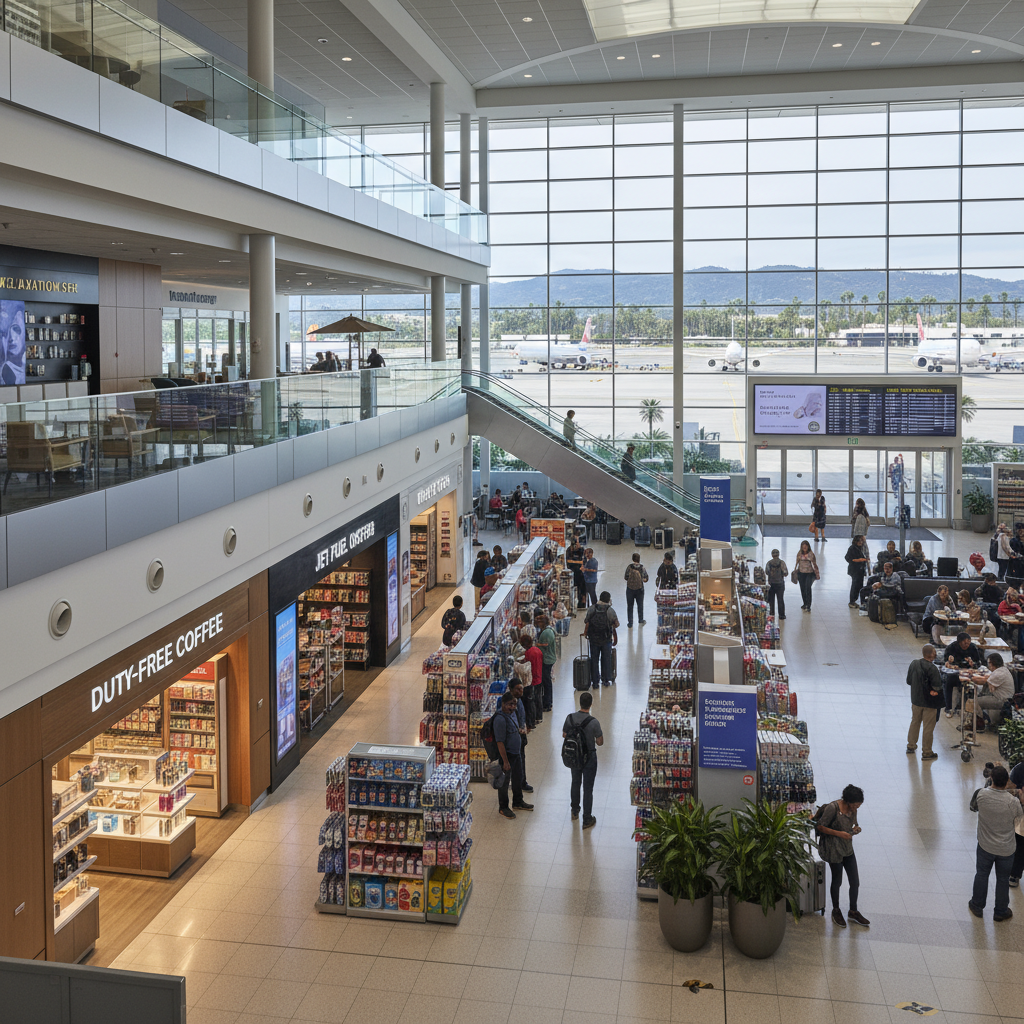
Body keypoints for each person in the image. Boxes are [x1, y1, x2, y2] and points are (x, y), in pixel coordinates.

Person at [969, 764, 1023, 921]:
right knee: (1003, 879)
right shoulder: (1013, 802)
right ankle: (1000, 910)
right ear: (1007, 782)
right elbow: (1020, 825)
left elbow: (973, 808)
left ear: (991, 778)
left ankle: (977, 905)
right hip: (1006, 849)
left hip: (985, 846)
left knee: (982, 874)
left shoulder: (981, 794)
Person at [816, 784, 869, 928]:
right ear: (848, 801)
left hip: (847, 848)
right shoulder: (833, 808)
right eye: (856, 805)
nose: (856, 808)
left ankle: (853, 910)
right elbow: (820, 826)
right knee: (837, 880)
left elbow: (852, 824)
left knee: (855, 881)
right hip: (834, 849)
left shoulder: (853, 810)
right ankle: (836, 910)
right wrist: (840, 834)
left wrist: (855, 829)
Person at [563, 690, 603, 829]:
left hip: (574, 756)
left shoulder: (570, 718)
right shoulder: (594, 722)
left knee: (575, 782)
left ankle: (575, 810)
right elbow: (600, 742)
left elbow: (564, 735)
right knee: (588, 788)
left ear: (579, 703)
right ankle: (587, 819)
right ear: (591, 704)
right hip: (589, 758)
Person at [493, 692, 532, 819]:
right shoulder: (499, 719)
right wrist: (505, 761)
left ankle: (518, 802)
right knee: (504, 782)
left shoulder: (512, 714)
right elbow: (500, 742)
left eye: (514, 704)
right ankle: (503, 807)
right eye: (510, 704)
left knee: (518, 778)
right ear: (503, 704)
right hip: (507, 756)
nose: (513, 707)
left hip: (516, 754)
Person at [906, 644, 944, 760]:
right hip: (929, 703)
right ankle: (927, 751)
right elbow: (937, 687)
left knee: (915, 722)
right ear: (932, 654)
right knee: (928, 727)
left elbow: (908, 681)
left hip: (916, 700)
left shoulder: (914, 663)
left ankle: (911, 745)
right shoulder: (933, 669)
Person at [972, 653, 1015, 732]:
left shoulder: (999, 673)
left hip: (1002, 700)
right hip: (1005, 698)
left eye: (989, 663)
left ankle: (980, 725)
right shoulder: (1003, 670)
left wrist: (970, 676)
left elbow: (981, 681)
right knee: (985, 693)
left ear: (992, 663)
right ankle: (987, 720)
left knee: (975, 701)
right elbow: (989, 679)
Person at [584, 590, 618, 688]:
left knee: (594, 660)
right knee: (606, 659)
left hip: (593, 639)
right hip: (606, 638)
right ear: (608, 600)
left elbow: (587, 621)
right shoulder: (610, 610)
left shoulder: (592, 608)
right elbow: (616, 624)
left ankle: (595, 682)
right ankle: (606, 680)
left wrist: (586, 633)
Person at [943, 631, 981, 718]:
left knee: (973, 685)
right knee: (948, 682)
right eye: (964, 643)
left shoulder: (973, 648)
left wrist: (973, 665)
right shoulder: (951, 648)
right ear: (959, 642)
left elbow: (978, 663)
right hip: (955, 673)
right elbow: (945, 663)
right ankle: (948, 707)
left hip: (968, 673)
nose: (966, 645)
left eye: (968, 643)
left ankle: (962, 707)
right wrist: (950, 663)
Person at [505, 678, 534, 792]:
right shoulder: (509, 704)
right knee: (516, 761)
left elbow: (522, 715)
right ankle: (517, 783)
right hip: (512, 738)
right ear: (511, 689)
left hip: (519, 736)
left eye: (521, 688)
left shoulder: (519, 700)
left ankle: (521, 782)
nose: (521, 691)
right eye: (518, 689)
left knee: (521, 760)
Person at [868, 562, 903, 627]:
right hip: (887, 590)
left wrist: (881, 585)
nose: (887, 570)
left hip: (894, 591)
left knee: (881, 593)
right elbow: (882, 584)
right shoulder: (883, 575)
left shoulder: (895, 575)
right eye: (885, 569)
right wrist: (877, 585)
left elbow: (892, 585)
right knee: (875, 592)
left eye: (888, 568)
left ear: (891, 568)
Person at [535, 613, 557, 713]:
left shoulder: (546, 632)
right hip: (549, 658)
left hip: (547, 660)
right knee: (546, 681)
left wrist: (536, 644)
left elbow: (546, 644)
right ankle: (548, 701)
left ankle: (547, 703)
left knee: (546, 681)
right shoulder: (549, 630)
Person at [522, 634, 544, 725]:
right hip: (539, 676)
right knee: (539, 698)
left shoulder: (528, 653)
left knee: (531, 700)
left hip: (532, 679)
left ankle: (533, 718)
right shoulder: (537, 650)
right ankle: (539, 717)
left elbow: (526, 666)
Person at [623, 552, 649, 628]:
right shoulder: (642, 568)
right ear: (639, 559)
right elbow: (646, 578)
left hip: (630, 589)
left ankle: (630, 623)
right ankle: (641, 620)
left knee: (630, 606)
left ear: (632, 559)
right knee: (640, 605)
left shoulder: (629, 567)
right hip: (639, 589)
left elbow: (625, 577)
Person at [845, 535, 870, 608]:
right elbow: (848, 558)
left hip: (860, 570)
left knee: (859, 585)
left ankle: (856, 600)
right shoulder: (852, 548)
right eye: (859, 541)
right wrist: (859, 560)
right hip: (855, 569)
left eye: (861, 541)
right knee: (855, 585)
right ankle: (852, 601)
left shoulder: (861, 548)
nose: (860, 542)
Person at [794, 539, 819, 612]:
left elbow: (814, 564)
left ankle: (808, 605)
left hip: (809, 573)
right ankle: (804, 603)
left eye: (806, 546)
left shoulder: (811, 554)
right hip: (801, 573)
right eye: (803, 546)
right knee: (802, 588)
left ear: (808, 547)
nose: (804, 548)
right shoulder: (799, 553)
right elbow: (797, 562)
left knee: (808, 588)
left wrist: (817, 573)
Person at [1010, 760, 1024, 888]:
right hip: (1021, 815)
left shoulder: (1019, 768)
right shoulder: (1019, 768)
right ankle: (1015, 874)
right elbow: (1011, 788)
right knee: (1020, 844)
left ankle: (1014, 874)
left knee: (1020, 845)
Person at [764, 548, 788, 621]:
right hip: (780, 583)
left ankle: (771, 614)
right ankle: (781, 615)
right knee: (780, 599)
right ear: (778, 554)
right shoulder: (782, 562)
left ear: (772, 555)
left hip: (771, 584)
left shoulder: (769, 563)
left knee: (771, 600)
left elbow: (767, 572)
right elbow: (785, 572)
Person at [566, 537, 587, 609]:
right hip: (572, 573)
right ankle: (574, 603)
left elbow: (584, 561)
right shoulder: (569, 550)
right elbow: (568, 561)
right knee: (573, 588)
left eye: (577, 543)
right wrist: (578, 562)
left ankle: (583, 601)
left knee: (582, 586)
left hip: (580, 573)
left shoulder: (581, 550)